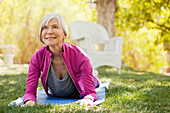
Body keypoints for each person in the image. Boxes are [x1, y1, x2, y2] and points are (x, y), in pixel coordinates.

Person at [22, 12, 100, 107]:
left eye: (55, 27)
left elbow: (91, 93)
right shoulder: (37, 57)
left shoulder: (80, 56)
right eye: (45, 28)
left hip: (79, 89)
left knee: (94, 80)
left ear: (64, 33)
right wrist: (29, 101)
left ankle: (94, 76)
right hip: (58, 93)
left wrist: (88, 99)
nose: (49, 31)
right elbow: (30, 91)